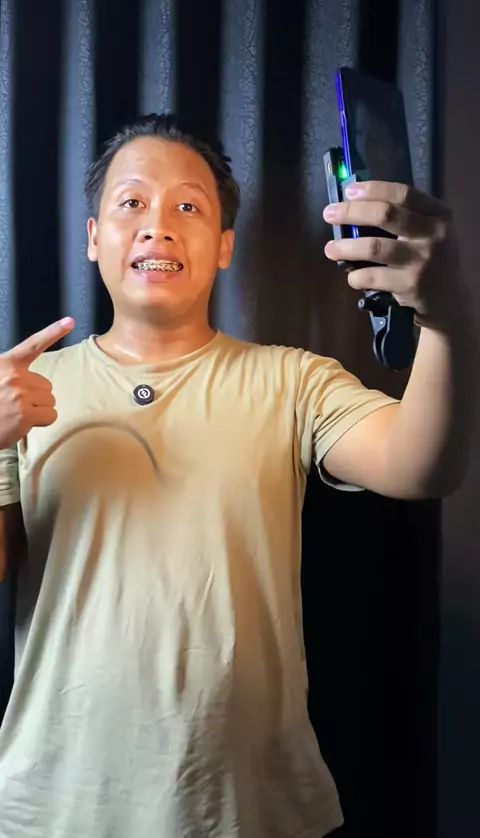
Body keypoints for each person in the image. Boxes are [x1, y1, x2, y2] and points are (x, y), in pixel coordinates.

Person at [0, 113, 474, 838]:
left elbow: (422, 467)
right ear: (94, 236)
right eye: (132, 203)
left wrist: (447, 318)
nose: (158, 227)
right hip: (53, 806)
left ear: (224, 246)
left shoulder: (293, 381)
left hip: (245, 808)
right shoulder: (21, 389)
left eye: (188, 207)